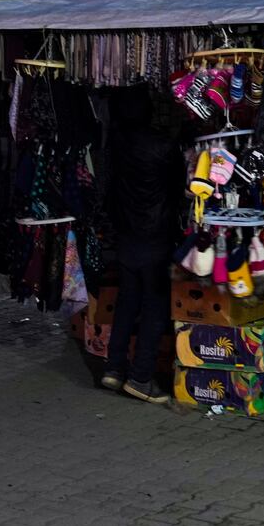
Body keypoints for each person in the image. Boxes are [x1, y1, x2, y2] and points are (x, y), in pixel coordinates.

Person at [100, 86, 181, 405]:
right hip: (156, 236)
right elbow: (176, 189)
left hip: (127, 236)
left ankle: (113, 368)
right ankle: (141, 376)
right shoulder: (163, 146)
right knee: (155, 305)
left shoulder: (115, 144)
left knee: (127, 301)